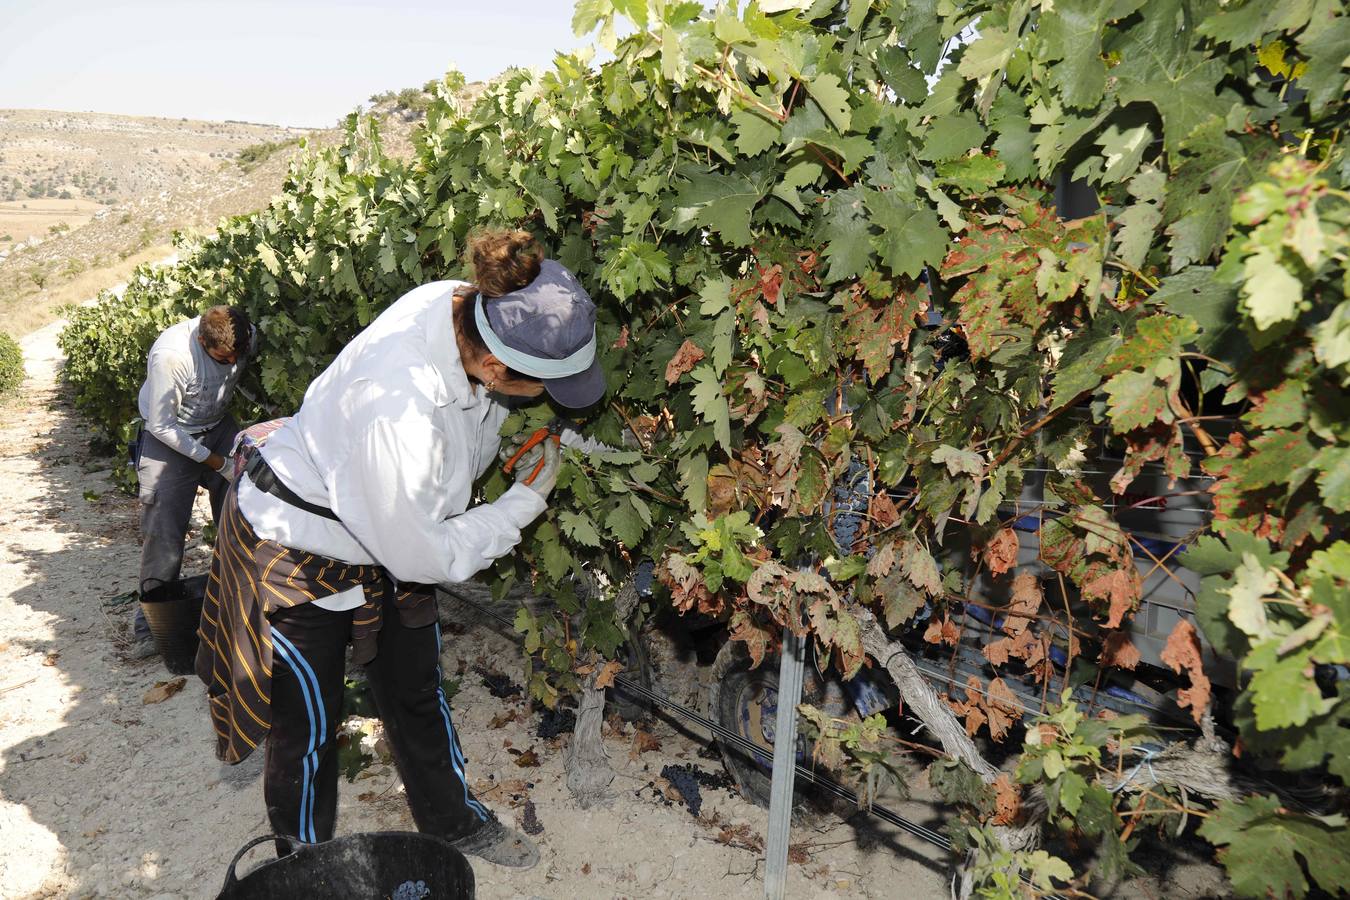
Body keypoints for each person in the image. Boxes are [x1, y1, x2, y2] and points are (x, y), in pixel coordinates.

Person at [196, 229, 606, 867]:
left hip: (388, 521)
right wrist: (523, 502)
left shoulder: (462, 308)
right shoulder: (401, 412)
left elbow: (457, 446)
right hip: (300, 547)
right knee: (308, 727)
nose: (547, 400)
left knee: (415, 687)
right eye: (544, 387)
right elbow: (420, 554)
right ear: (497, 367)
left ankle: (451, 822)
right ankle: (305, 868)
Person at [134, 304, 253, 659]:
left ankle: (242, 605)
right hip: (170, 437)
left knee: (245, 511)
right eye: (223, 357)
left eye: (238, 356)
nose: (232, 362)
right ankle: (148, 624)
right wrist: (217, 462)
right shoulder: (171, 357)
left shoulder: (243, 335)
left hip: (218, 426)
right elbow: (162, 426)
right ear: (202, 341)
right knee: (164, 528)